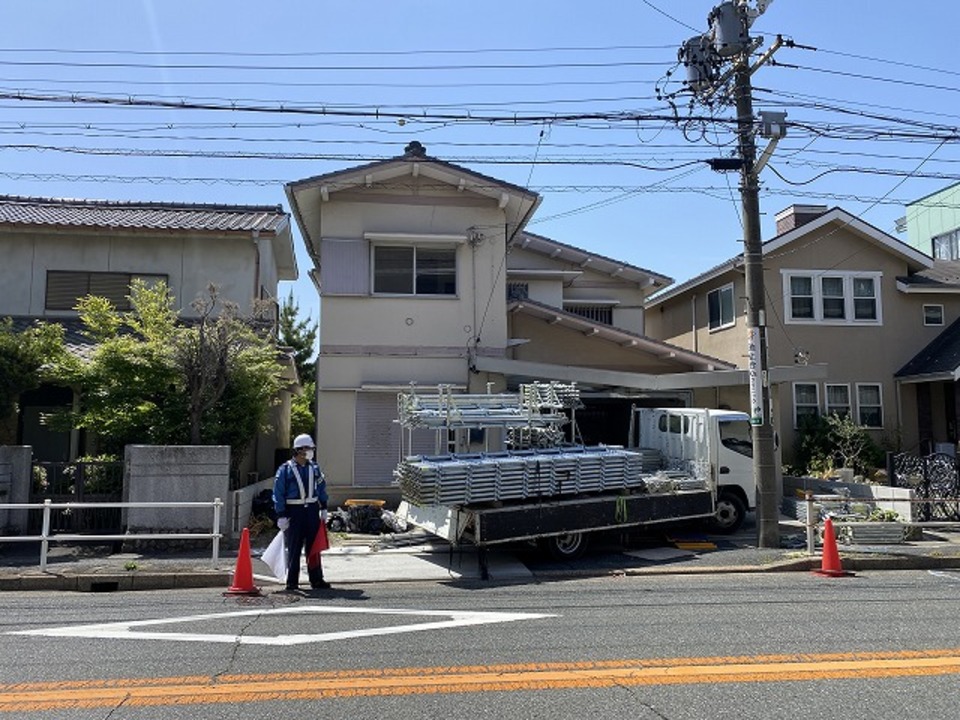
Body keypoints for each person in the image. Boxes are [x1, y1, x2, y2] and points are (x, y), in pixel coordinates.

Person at [273, 433, 330, 591]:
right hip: (294, 511)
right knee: (294, 548)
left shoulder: (315, 468)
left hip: (312, 510)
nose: (311, 451)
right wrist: (281, 514)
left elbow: (321, 488)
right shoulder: (285, 470)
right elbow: (278, 493)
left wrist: (324, 506)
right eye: (308, 448)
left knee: (314, 548)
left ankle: (317, 580)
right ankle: (292, 582)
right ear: (299, 450)